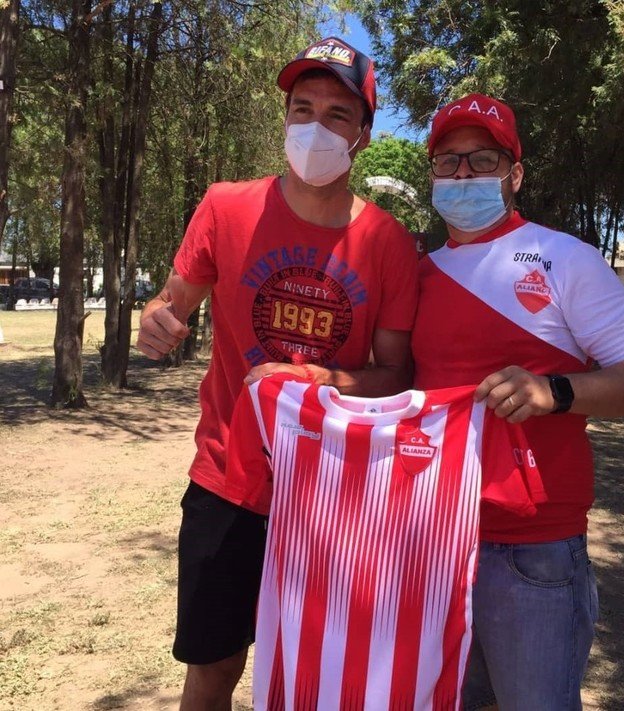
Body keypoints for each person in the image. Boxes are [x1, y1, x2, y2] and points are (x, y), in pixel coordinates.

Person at [136, 36, 419, 711]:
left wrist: (329, 381)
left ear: (364, 136)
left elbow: (398, 373)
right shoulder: (227, 207)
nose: (314, 127)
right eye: (302, 108)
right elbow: (170, 303)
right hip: (227, 482)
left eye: (337, 114)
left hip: (335, 494)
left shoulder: (388, 243)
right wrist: (155, 320)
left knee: (324, 675)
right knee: (213, 667)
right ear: (284, 117)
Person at [412, 93, 624, 710]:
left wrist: (552, 391)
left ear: (515, 174)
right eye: (447, 163)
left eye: (481, 160)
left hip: (534, 547)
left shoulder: (567, 259)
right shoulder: (416, 272)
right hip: (431, 534)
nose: (463, 175)